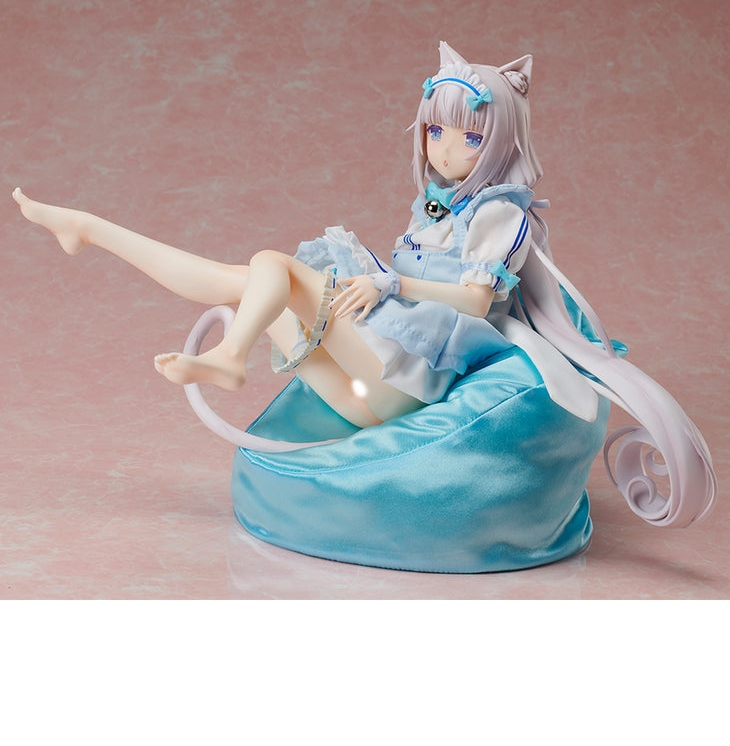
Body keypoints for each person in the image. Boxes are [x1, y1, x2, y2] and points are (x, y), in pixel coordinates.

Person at [12, 41, 717, 528]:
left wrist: (388, 287)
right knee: (241, 277)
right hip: (369, 382)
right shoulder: (438, 202)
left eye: (469, 138)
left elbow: (475, 301)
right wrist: (384, 283)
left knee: (272, 265)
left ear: (500, 141)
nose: (447, 149)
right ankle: (91, 229)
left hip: (410, 376)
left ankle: (230, 356)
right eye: (436, 132)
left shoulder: (500, 211)